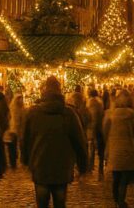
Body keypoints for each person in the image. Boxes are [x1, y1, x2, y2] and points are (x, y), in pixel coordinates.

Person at [21, 76, 89, 208]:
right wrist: (82, 165)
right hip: (62, 167)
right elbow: (79, 141)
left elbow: (25, 139)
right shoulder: (69, 113)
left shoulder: (33, 113)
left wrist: (25, 159)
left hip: (40, 165)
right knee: (60, 202)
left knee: (42, 203)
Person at [103, 91, 134, 208]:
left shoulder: (111, 114)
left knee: (116, 176)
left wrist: (108, 143)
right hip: (128, 148)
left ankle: (116, 199)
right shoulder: (132, 114)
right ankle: (121, 201)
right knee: (124, 177)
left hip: (114, 148)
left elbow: (105, 130)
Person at [86, 88, 106, 177]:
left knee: (91, 147)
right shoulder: (100, 102)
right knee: (99, 148)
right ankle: (100, 167)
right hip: (99, 127)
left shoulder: (90, 102)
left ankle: (90, 166)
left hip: (93, 127)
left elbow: (92, 116)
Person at [5, 93, 26, 168]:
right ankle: (13, 162)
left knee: (20, 145)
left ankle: (20, 160)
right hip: (13, 129)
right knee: (13, 147)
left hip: (18, 129)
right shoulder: (13, 108)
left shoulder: (22, 108)